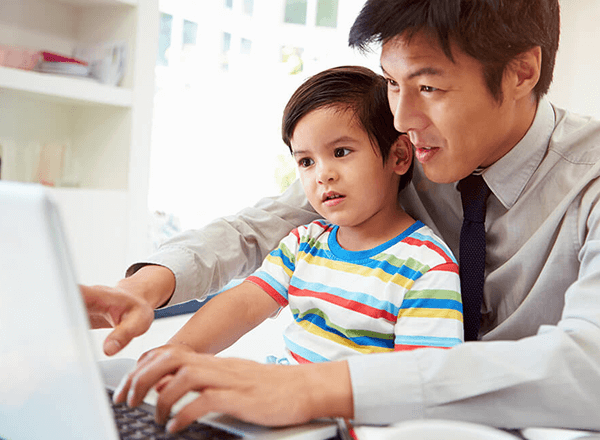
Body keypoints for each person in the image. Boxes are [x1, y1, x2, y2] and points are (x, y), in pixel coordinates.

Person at [83, 0, 600, 433]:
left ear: (521, 72)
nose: (401, 118)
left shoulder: (589, 180)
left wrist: (312, 388)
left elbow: (590, 364)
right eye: (392, 83)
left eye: (429, 88)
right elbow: (259, 228)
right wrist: (147, 287)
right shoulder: (399, 156)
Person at [114, 66, 462, 381]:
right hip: (281, 404)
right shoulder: (304, 243)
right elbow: (244, 305)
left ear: (399, 155)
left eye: (341, 152)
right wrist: (176, 353)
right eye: (306, 161)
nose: (323, 174)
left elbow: (419, 385)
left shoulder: (427, 267)